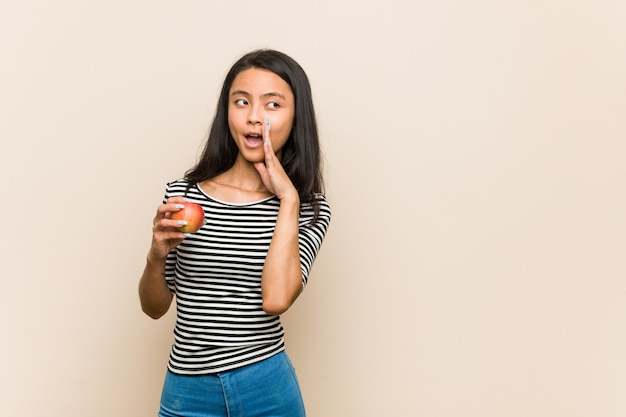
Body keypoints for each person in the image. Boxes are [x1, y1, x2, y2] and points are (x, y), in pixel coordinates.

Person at [138, 49, 331, 417]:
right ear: (226, 112)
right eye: (241, 102)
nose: (254, 117)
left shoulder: (307, 208)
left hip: (266, 387)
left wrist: (288, 198)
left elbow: (275, 299)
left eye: (272, 104)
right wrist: (155, 256)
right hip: (187, 390)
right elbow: (154, 308)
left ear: (296, 116)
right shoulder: (183, 196)